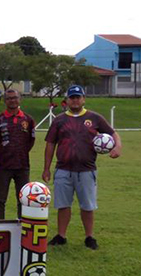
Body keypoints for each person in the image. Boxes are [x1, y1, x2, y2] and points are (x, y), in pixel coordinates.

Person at [42, 85, 122, 250]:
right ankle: (61, 236)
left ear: (83, 99)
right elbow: (50, 144)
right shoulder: (59, 120)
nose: (75, 100)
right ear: (67, 100)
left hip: (87, 170)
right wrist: (46, 168)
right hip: (63, 169)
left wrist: (117, 147)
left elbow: (113, 133)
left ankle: (89, 237)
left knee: (87, 206)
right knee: (63, 205)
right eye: (72, 97)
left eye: (78, 97)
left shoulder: (95, 118)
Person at [0, 88, 36, 219]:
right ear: (5, 101)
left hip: (22, 166)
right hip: (4, 166)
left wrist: (20, 151)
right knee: (0, 199)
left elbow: (31, 141)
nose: (12, 100)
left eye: (15, 97)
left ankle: (22, 225)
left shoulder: (28, 119)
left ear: (19, 99)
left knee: (23, 199)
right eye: (9, 98)